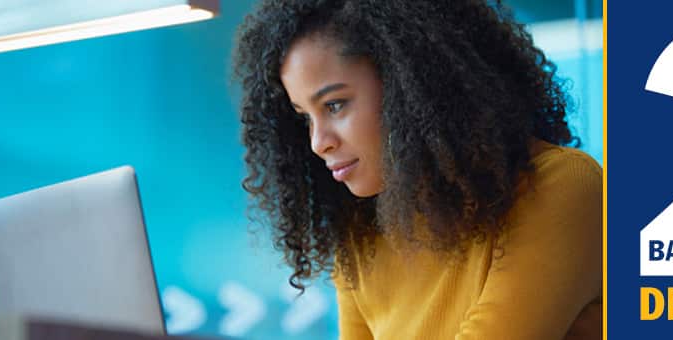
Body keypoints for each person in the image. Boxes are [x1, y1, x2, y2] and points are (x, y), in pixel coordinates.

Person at [233, 0, 601, 339]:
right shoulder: (361, 233)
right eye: (304, 118)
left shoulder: (561, 187)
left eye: (334, 105)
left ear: (409, 85)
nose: (318, 142)